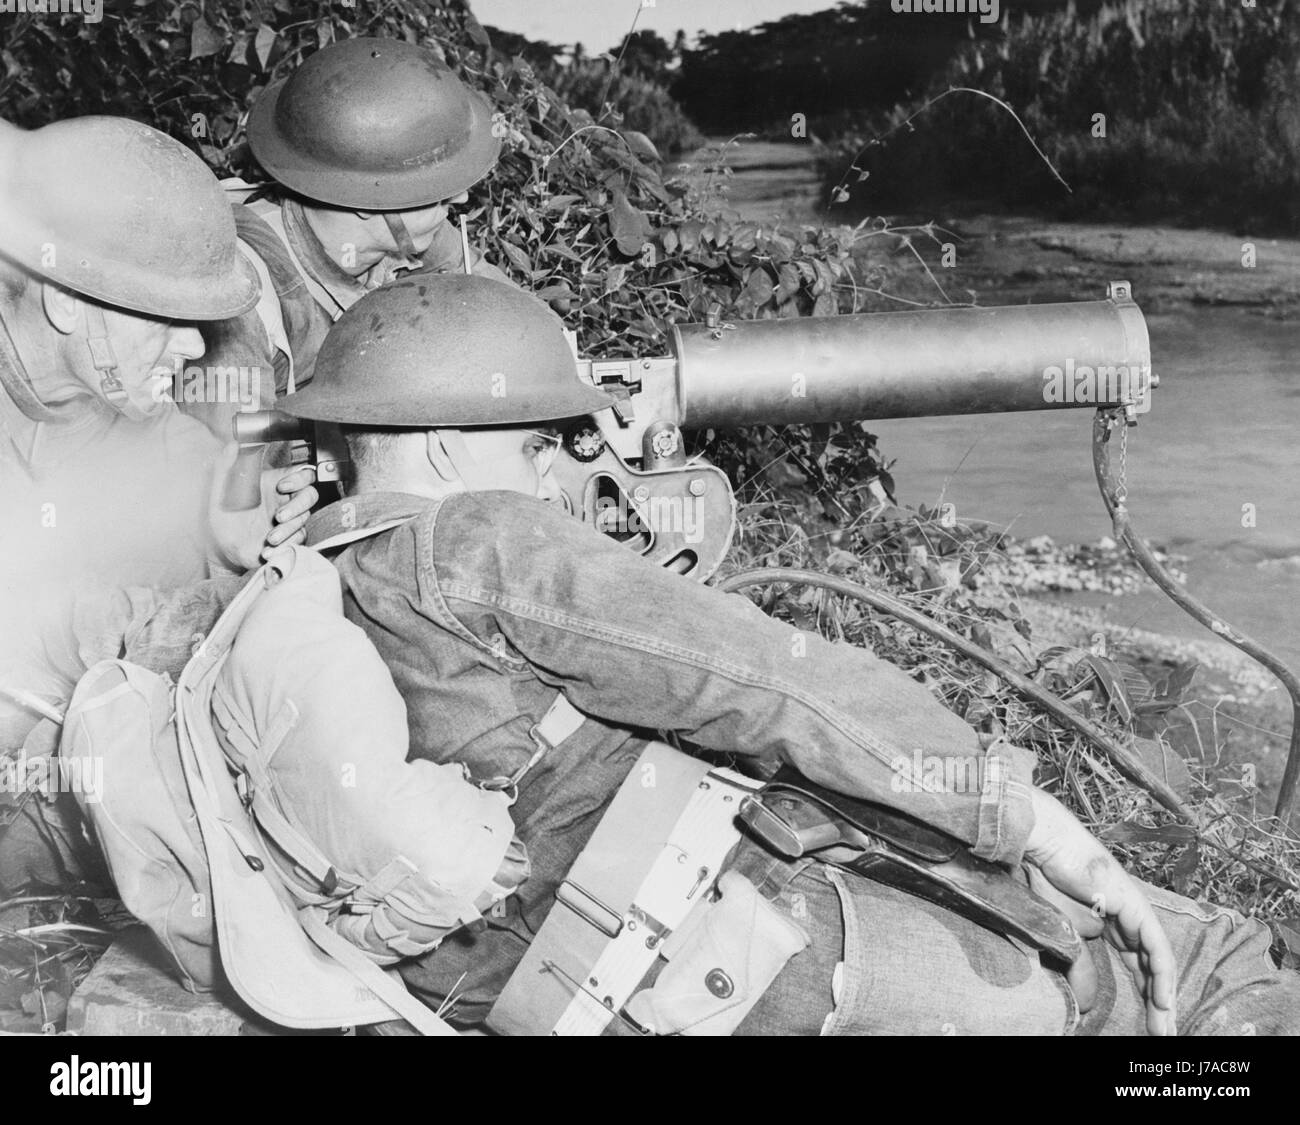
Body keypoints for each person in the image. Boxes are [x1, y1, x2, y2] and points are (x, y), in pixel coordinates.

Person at [264, 273, 1293, 1036]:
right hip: (724, 950)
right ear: (446, 449)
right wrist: (1027, 818)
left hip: (549, 981)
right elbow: (770, 682)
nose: (547, 480)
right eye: (534, 447)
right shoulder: (476, 536)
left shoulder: (313, 576)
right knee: (1192, 959)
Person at [0, 114, 317, 892]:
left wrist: (225, 539)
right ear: (68, 304)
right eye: (166, 317)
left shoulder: (154, 432)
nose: (193, 347)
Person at [193, 36, 509, 438]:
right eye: (438, 192)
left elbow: (510, 312)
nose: (460, 198)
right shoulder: (240, 294)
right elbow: (219, 455)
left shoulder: (414, 232)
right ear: (367, 200)